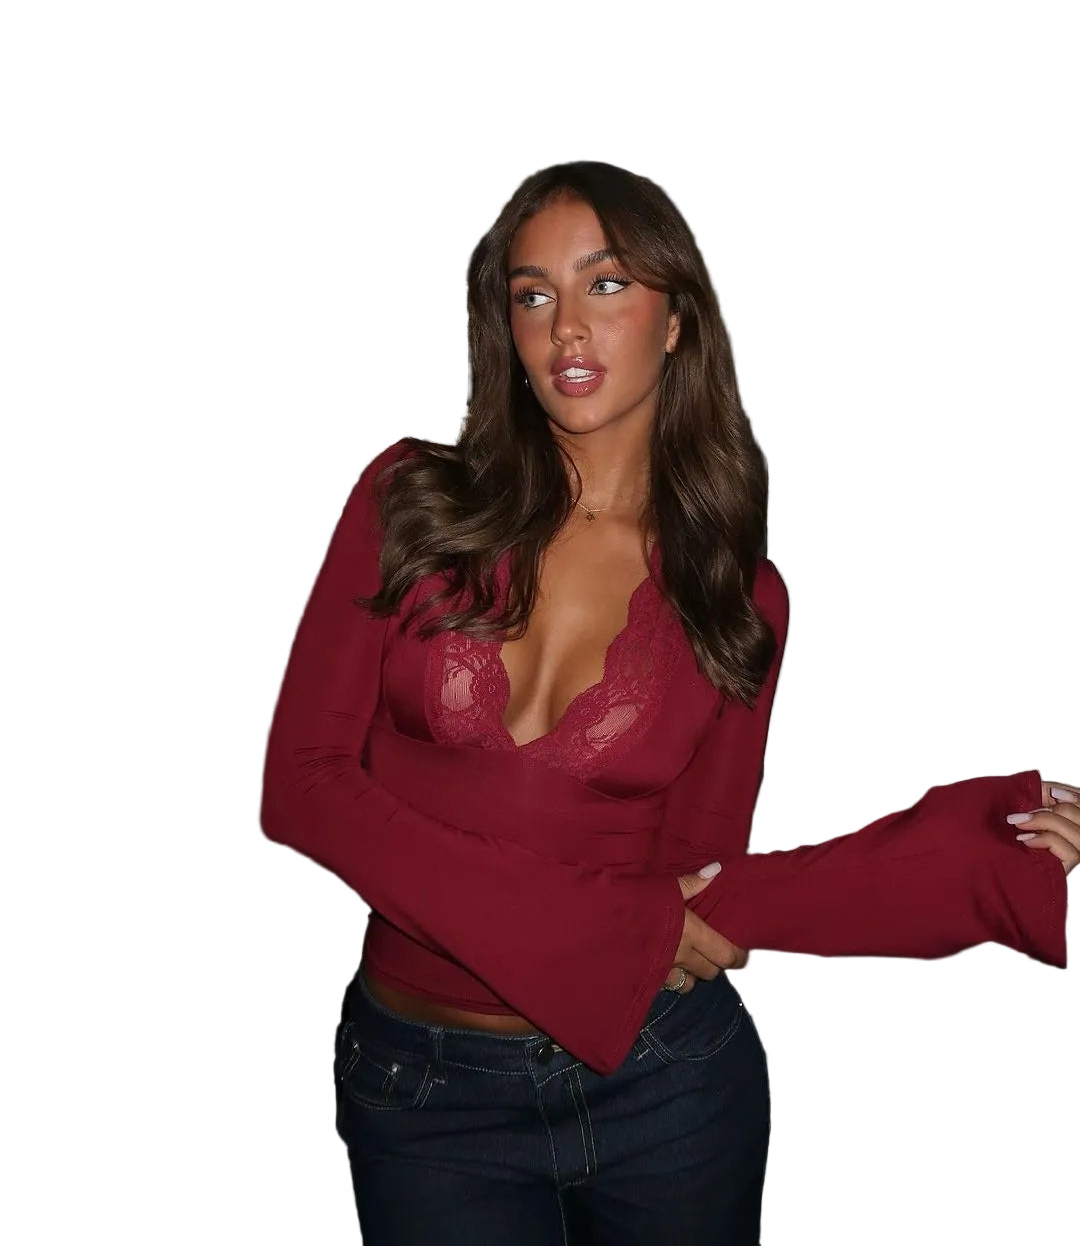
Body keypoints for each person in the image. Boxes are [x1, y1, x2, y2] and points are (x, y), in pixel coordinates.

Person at [260, 160, 1075, 1244]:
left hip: (664, 1086)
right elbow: (302, 789)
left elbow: (691, 890)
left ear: (678, 318)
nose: (566, 326)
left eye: (606, 284)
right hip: (423, 1091)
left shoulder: (737, 593)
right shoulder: (408, 499)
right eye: (533, 293)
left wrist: (966, 851)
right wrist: (602, 929)